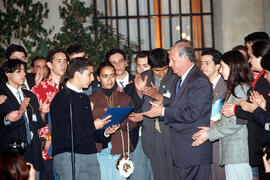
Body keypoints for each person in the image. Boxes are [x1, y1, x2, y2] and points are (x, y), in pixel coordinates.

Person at [143, 44, 213, 180]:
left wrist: (163, 111)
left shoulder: (198, 80)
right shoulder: (182, 79)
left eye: (173, 60)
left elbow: (192, 113)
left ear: (186, 59)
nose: (169, 64)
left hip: (193, 150)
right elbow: (179, 106)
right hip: (183, 150)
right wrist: (162, 105)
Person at [50, 58, 118, 180]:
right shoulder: (62, 98)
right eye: (89, 74)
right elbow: (65, 132)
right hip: (69, 156)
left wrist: (105, 132)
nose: (92, 79)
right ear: (77, 74)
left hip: (89, 154)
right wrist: (93, 125)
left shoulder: (84, 98)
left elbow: (87, 132)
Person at [192, 50, 253, 180]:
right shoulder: (235, 89)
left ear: (233, 68)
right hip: (231, 152)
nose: (221, 71)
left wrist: (209, 134)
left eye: (223, 68)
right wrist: (211, 128)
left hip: (237, 152)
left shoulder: (240, 90)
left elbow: (236, 123)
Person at [223, 40, 270, 180]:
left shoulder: (263, 81)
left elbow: (267, 122)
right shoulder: (262, 79)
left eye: (251, 57)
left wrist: (239, 110)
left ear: (260, 59)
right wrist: (261, 109)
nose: (248, 61)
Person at [129, 48, 178, 180]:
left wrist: (158, 96)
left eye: (164, 69)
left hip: (171, 135)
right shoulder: (143, 77)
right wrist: (138, 93)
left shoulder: (176, 77)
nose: (161, 73)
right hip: (151, 136)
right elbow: (133, 107)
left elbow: (181, 106)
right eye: (157, 70)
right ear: (151, 67)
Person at [90, 61, 136, 180]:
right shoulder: (91, 100)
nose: (109, 79)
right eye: (105, 76)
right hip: (100, 148)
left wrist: (120, 123)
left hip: (120, 147)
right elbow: (87, 126)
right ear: (98, 78)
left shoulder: (125, 98)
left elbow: (132, 123)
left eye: (112, 75)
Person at [0, 59, 46, 177]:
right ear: (8, 73)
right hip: (12, 154)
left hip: (33, 150)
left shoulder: (30, 95)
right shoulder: (2, 95)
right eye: (19, 71)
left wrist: (43, 113)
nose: (24, 74)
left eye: (24, 71)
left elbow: (36, 123)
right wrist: (7, 118)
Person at [31, 49, 68, 180]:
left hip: (69, 146)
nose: (63, 64)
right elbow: (31, 120)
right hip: (48, 149)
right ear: (50, 64)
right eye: (59, 61)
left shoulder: (70, 87)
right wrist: (43, 142)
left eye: (65, 61)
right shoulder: (38, 89)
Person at [200, 49, 226, 180]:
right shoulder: (198, 85)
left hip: (219, 145)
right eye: (201, 63)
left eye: (207, 63)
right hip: (202, 146)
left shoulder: (226, 87)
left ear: (218, 66)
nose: (203, 66)